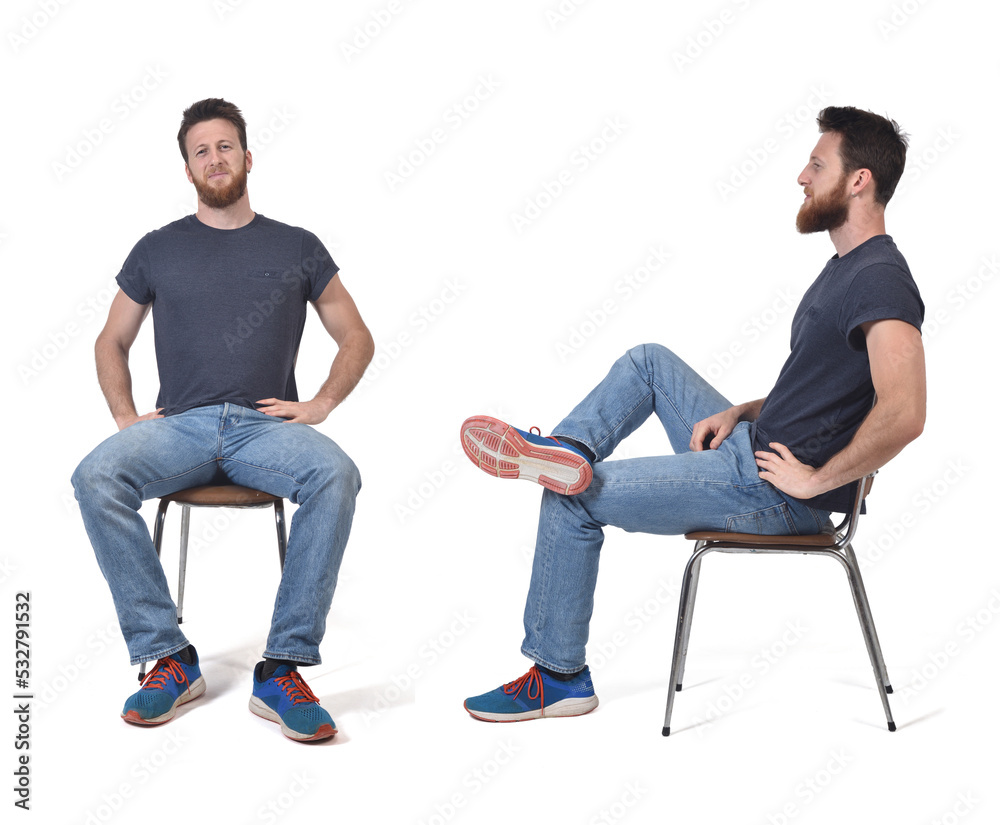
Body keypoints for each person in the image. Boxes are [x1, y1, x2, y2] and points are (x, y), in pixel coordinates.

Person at [459, 106, 926, 723]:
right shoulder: (846, 270)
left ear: (858, 180)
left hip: (772, 491)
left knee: (568, 497)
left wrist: (817, 482)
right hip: (752, 445)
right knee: (649, 362)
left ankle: (558, 676)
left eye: (816, 164)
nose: (801, 177)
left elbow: (906, 410)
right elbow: (829, 388)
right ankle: (569, 448)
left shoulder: (883, 279)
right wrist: (741, 411)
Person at [72, 98, 374, 742]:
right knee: (96, 476)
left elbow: (355, 335)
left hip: (264, 429)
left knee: (336, 474)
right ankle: (169, 658)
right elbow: (110, 341)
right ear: (188, 169)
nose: (214, 158)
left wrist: (319, 405)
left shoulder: (297, 245)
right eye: (201, 151)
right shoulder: (158, 248)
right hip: (177, 426)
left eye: (225, 146)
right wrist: (127, 419)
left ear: (247, 157)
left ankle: (284, 666)